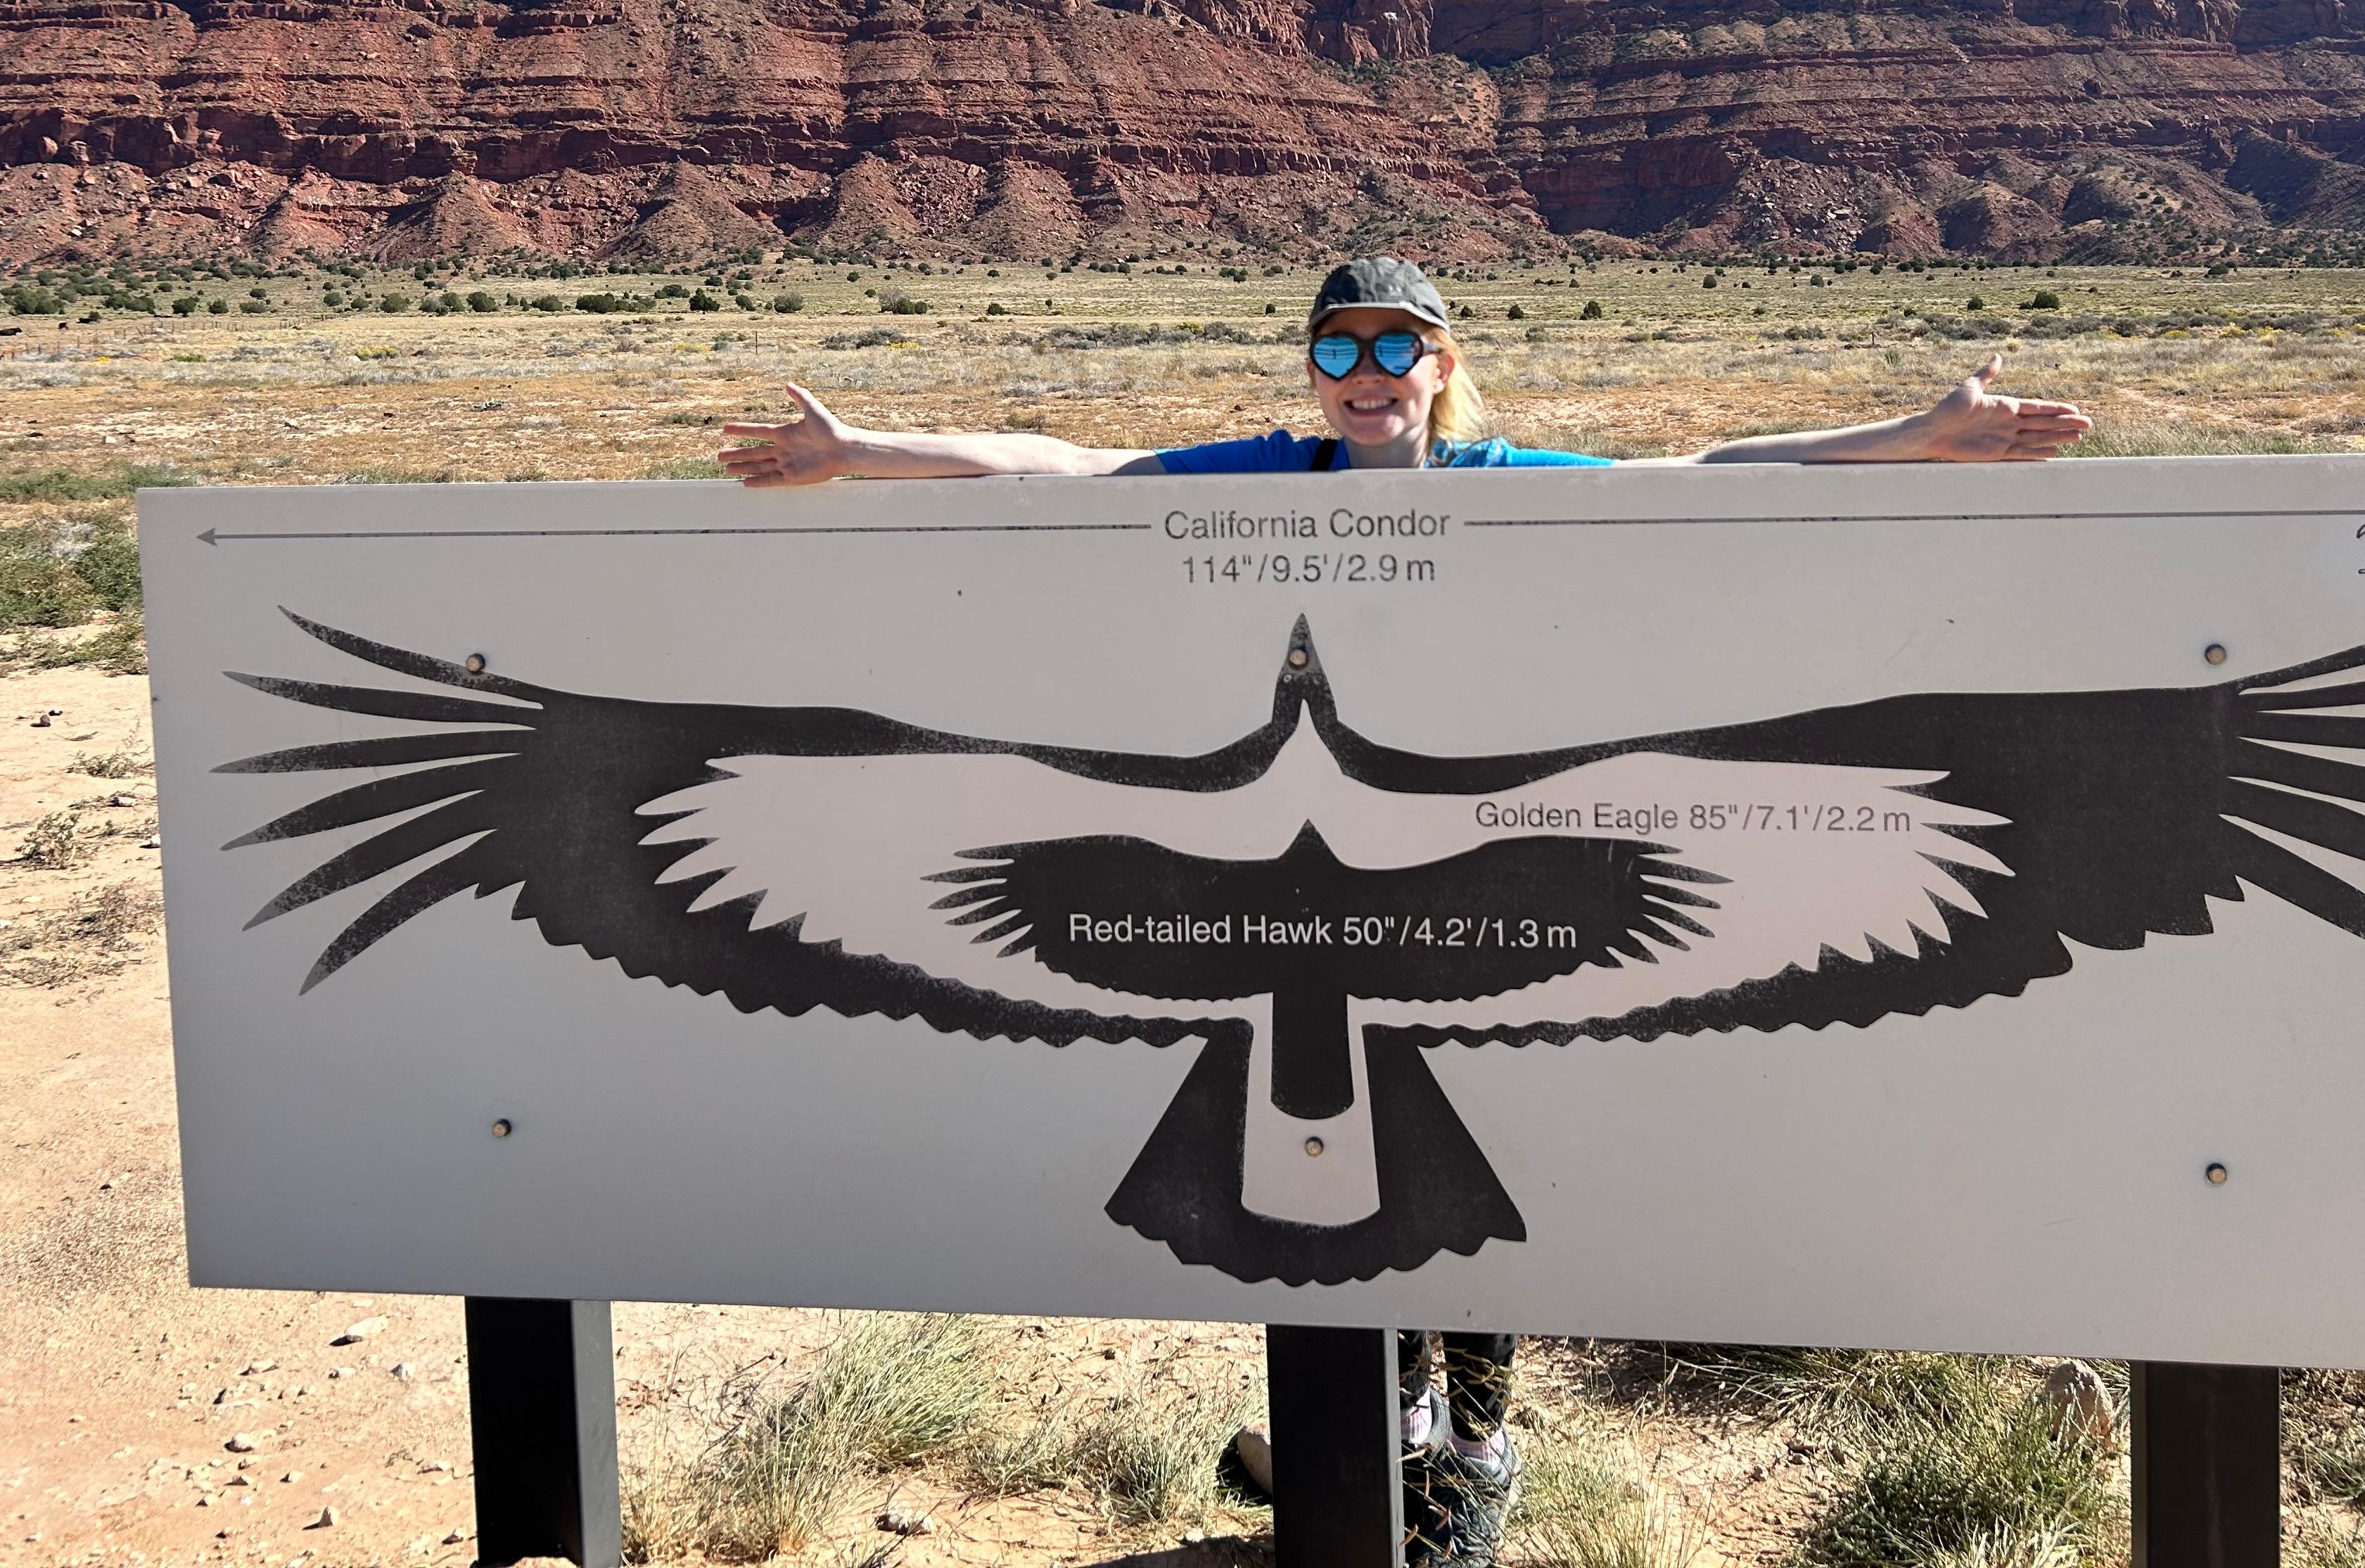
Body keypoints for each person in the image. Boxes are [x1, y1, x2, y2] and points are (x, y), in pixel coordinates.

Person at [718, 254, 2089, 1566]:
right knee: (1317, 1155)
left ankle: (1471, 1457)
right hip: (1307, 869)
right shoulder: (1275, 470)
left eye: (1394, 347)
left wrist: (1921, 434)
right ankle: (1372, 1443)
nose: (1365, 372)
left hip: (1463, 861)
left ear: (1440, 363)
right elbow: (1070, 468)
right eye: (1338, 348)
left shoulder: (1503, 482)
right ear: (1314, 370)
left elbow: (1705, 475)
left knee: (1450, 1137)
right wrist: (860, 453)